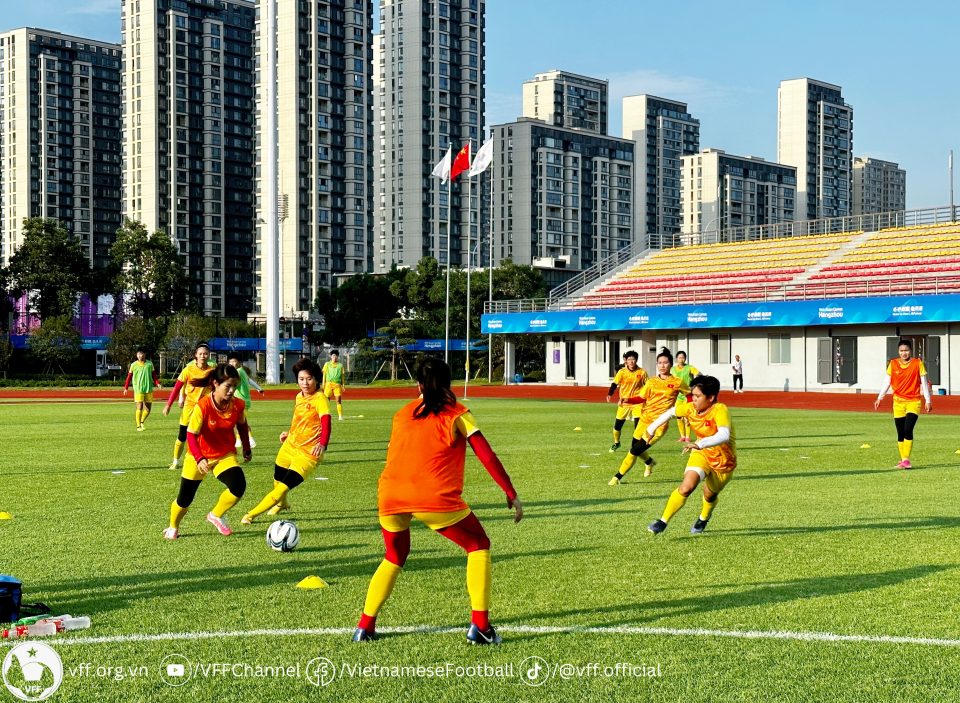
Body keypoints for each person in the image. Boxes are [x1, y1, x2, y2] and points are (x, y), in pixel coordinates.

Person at [353, 359, 522, 645]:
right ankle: (480, 626)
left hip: (390, 494)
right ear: (449, 384)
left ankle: (364, 627)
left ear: (417, 385)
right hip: (432, 496)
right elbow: (486, 454)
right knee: (478, 544)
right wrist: (510, 491)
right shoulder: (457, 413)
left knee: (394, 556)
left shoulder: (401, 413)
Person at [163, 363, 252, 539]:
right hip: (198, 456)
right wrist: (198, 458)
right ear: (215, 384)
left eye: (235, 386)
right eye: (228, 386)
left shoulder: (237, 405)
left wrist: (247, 448)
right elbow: (190, 435)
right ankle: (173, 527)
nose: (231, 390)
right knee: (185, 499)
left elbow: (242, 426)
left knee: (238, 485)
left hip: (224, 455)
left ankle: (216, 515)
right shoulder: (202, 406)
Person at [242, 358, 331, 524]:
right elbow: (300, 420)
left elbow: (326, 423)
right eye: (301, 379)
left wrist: (322, 444)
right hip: (289, 446)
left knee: (282, 487)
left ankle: (250, 515)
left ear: (317, 379)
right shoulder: (299, 396)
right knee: (277, 480)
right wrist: (289, 433)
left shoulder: (320, 399)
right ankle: (283, 504)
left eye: (309, 379)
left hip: (308, 454)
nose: (305, 383)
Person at [646, 375, 736, 535]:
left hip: (723, 461)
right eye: (692, 395)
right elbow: (671, 412)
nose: (693, 399)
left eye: (697, 396)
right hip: (701, 453)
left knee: (709, 495)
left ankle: (704, 517)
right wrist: (651, 429)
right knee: (687, 487)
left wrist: (699, 443)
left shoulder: (720, 409)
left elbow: (724, 435)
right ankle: (662, 521)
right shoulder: (690, 408)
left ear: (711, 398)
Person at [608, 348, 684, 485]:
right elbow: (641, 398)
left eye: (665, 363)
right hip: (645, 419)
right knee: (635, 447)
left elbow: (691, 396)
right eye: (659, 363)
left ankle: (617, 477)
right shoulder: (651, 382)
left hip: (659, 425)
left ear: (670, 364)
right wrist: (627, 400)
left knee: (634, 450)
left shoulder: (677, 382)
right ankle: (649, 462)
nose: (662, 365)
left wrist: (692, 410)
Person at [873, 339, 932, 469]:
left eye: (906, 350)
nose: (904, 353)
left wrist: (928, 400)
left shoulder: (918, 363)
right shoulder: (893, 363)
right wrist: (879, 398)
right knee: (900, 432)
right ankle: (903, 460)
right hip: (898, 402)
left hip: (914, 401)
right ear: (898, 351)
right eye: (901, 351)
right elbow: (886, 382)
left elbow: (924, 381)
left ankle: (906, 460)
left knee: (908, 429)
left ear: (911, 351)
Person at [162, 343, 216, 471]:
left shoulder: (212, 371)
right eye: (200, 353)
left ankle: (205, 459)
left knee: (205, 435)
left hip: (205, 408)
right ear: (196, 355)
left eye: (205, 354)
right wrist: (168, 405)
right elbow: (177, 388)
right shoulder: (188, 370)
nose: (203, 356)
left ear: (208, 356)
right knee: (182, 435)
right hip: (189, 407)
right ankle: (175, 461)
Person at [605, 350, 648, 452]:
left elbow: (648, 386)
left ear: (636, 360)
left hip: (638, 403)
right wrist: (609, 394)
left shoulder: (642, 372)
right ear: (626, 361)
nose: (631, 361)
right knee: (617, 427)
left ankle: (636, 447)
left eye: (633, 359)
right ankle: (616, 443)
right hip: (624, 403)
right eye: (629, 359)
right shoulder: (622, 372)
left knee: (637, 426)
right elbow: (614, 384)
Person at [228, 354, 264, 449]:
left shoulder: (237, 372)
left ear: (238, 363)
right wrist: (259, 388)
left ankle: (251, 440)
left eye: (234, 361)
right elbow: (249, 381)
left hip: (241, 400)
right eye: (231, 361)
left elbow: (234, 385)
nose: (232, 363)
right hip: (245, 400)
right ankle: (239, 440)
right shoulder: (242, 371)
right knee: (237, 421)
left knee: (241, 421)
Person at [122, 349, 162, 431]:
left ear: (144, 354)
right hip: (138, 388)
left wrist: (157, 383)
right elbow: (129, 377)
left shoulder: (149, 364)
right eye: (138, 354)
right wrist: (126, 388)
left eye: (141, 354)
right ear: (137, 355)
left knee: (148, 409)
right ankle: (138, 426)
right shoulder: (133, 365)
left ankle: (142, 422)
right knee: (139, 406)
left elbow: (154, 375)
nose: (140, 356)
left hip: (148, 388)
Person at [671, 350, 700, 442]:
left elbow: (698, 373)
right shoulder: (673, 369)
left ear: (685, 359)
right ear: (676, 359)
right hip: (678, 395)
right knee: (678, 415)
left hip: (688, 395)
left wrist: (699, 380)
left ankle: (687, 437)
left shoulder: (689, 367)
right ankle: (682, 436)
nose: (681, 359)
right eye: (679, 357)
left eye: (683, 357)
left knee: (687, 416)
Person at [322, 350, 346, 421]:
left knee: (338, 400)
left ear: (337, 357)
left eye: (336, 356)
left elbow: (342, 376)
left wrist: (343, 385)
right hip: (328, 384)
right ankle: (326, 415)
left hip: (337, 385)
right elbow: (324, 374)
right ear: (331, 356)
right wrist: (323, 383)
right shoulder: (327, 364)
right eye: (333, 356)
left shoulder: (340, 365)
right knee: (326, 400)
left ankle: (340, 416)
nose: (334, 357)